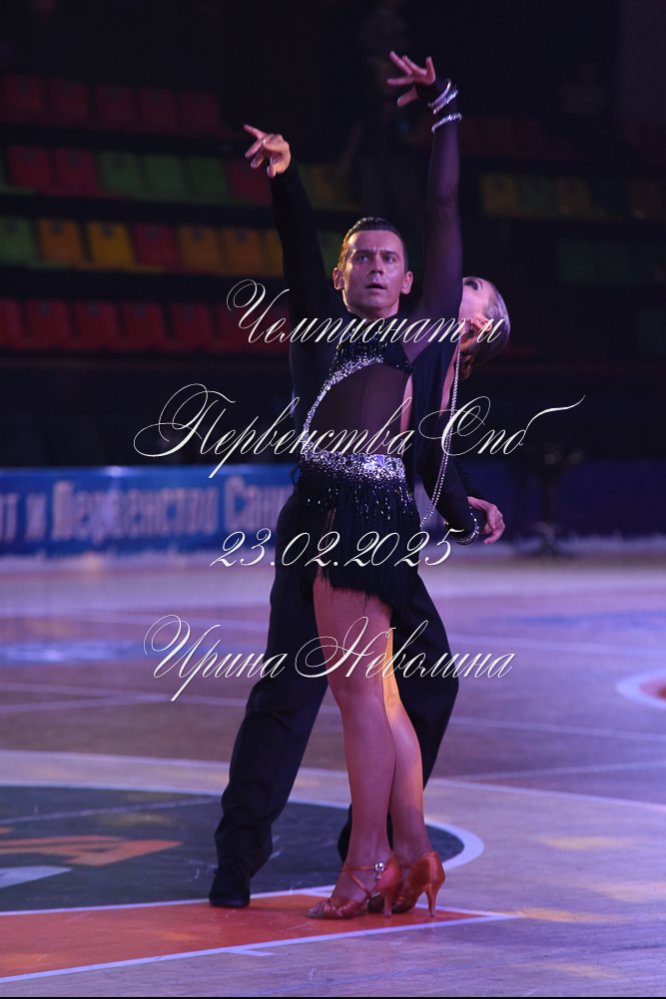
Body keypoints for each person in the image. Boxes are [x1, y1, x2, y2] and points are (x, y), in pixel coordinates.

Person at [209, 52, 509, 914]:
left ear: (412, 282)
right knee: (354, 694)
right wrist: (286, 176)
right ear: (342, 275)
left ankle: (367, 861)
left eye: (389, 258)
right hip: (315, 517)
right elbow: (295, 244)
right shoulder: (318, 326)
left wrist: (445, 109)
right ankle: (399, 853)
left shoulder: (422, 335)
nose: (375, 266)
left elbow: (443, 208)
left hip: (366, 524)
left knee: (370, 698)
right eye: (360, 257)